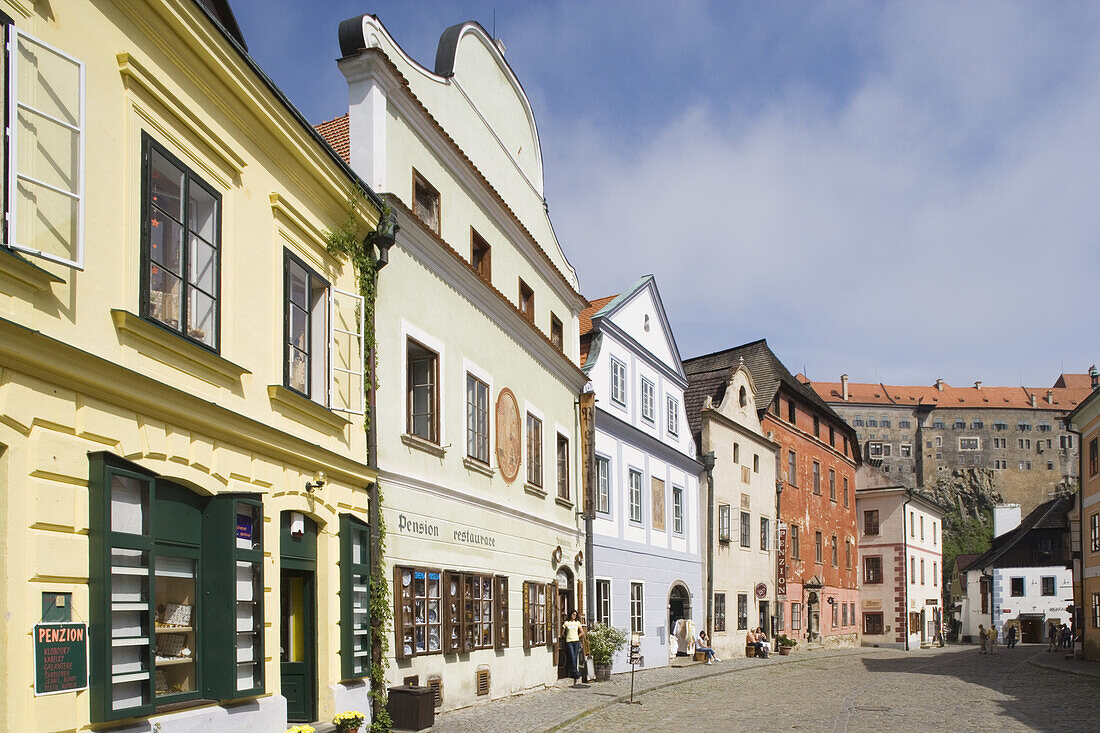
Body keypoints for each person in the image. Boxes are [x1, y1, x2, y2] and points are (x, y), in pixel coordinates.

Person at [562, 610, 586, 685]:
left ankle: (574, 673)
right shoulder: (566, 623)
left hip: (576, 641)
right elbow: (562, 633)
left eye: (575, 615)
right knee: (572, 657)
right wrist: (566, 637)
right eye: (573, 614)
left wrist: (577, 637)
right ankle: (575, 672)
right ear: (570, 615)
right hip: (569, 642)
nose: (574, 616)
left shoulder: (577, 623)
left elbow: (582, 632)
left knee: (575, 657)